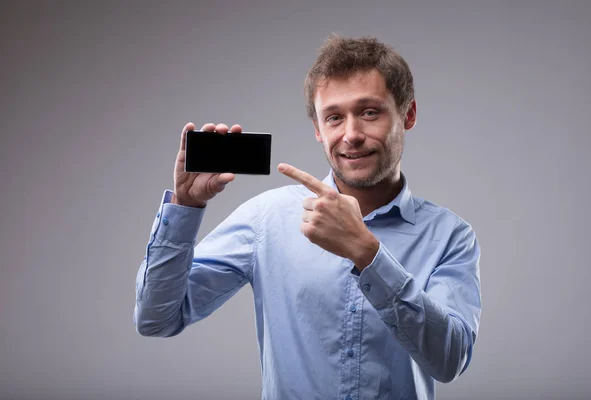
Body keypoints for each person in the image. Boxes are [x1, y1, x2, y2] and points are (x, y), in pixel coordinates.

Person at [134, 34, 482, 400]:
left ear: (407, 114)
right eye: (334, 117)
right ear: (318, 129)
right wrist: (185, 207)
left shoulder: (450, 236)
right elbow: (156, 319)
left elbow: (450, 360)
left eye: (369, 112)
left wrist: (369, 254)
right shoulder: (266, 218)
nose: (351, 135)